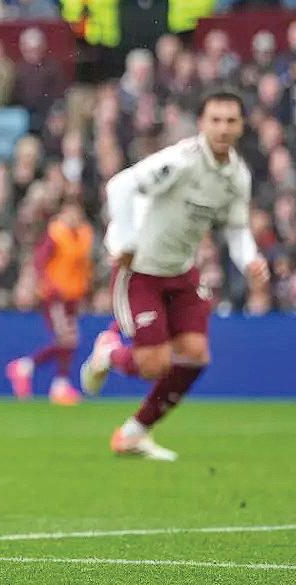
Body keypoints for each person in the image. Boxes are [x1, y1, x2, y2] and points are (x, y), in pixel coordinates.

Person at [80, 91, 268, 461]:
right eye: (215, 120)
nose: (223, 128)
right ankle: (109, 352)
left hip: (181, 271)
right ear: (202, 123)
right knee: (155, 365)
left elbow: (236, 228)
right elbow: (120, 185)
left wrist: (250, 259)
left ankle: (133, 434)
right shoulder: (181, 161)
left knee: (196, 355)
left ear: (242, 126)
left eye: (230, 121)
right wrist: (127, 241)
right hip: (140, 271)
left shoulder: (236, 176)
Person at [6, 201, 91, 405]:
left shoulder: (83, 234)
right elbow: (39, 261)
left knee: (69, 341)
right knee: (65, 338)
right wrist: (46, 284)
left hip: (73, 296)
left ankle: (40, 375)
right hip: (56, 296)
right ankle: (39, 374)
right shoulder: (55, 234)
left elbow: (83, 266)